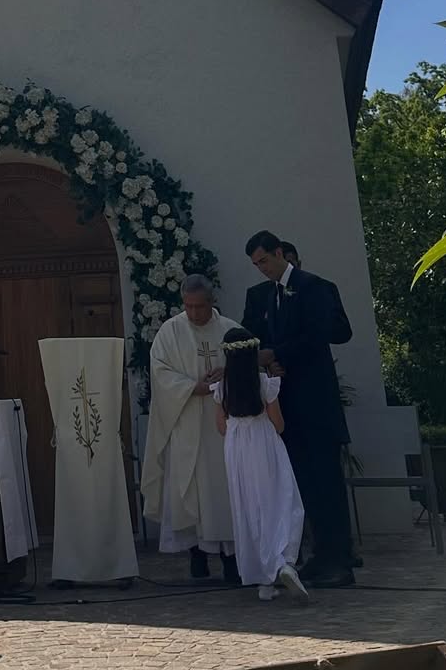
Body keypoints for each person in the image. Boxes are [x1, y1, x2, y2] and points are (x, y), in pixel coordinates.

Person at [242, 230, 355, 587]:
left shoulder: (312, 286)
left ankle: (339, 561)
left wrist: (278, 353)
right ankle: (318, 557)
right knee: (303, 486)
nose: (261, 268)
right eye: (256, 264)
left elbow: (322, 333)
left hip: (315, 402)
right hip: (286, 405)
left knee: (327, 484)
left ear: (280, 253)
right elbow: (256, 335)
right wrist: (265, 362)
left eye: (264, 260)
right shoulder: (264, 296)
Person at [141, 275, 239, 582]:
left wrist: (229, 373)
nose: (194, 313)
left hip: (223, 425)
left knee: (224, 491)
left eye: (200, 306)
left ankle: (231, 560)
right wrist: (191, 388)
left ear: (212, 301)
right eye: (188, 306)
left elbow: (249, 367)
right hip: (186, 421)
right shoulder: (171, 331)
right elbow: (159, 372)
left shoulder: (229, 330)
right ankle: (196, 554)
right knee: (192, 489)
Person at [213, 327, 308, 604]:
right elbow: (278, 424)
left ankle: (264, 582)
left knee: (249, 508)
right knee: (281, 501)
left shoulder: (221, 387)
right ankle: (283, 562)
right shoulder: (264, 383)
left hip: (237, 450)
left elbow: (220, 426)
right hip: (265, 445)